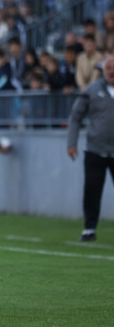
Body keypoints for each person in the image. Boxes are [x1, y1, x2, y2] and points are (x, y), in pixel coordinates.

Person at [67, 56, 114, 242]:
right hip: (95, 150)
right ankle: (89, 229)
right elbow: (75, 116)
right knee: (92, 191)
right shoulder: (92, 89)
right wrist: (71, 143)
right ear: (103, 69)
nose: (112, 71)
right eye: (108, 67)